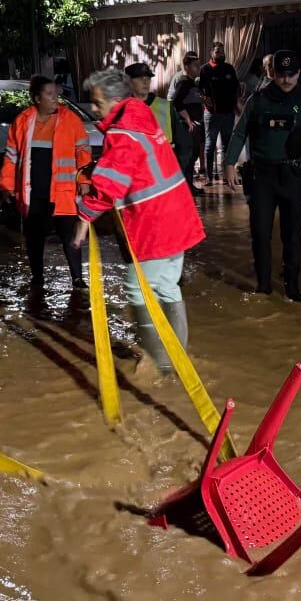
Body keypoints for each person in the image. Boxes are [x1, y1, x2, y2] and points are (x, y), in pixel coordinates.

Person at [71, 69, 204, 374]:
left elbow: (109, 185)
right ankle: (176, 355)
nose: (93, 108)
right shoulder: (140, 113)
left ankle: (158, 360)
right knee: (167, 286)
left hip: (156, 223)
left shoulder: (123, 132)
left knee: (135, 288)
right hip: (177, 213)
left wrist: (83, 217)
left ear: (115, 100)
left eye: (96, 102)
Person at [225, 50, 301, 301]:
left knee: (292, 233)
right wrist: (228, 163)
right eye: (281, 74)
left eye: (291, 75)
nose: (286, 80)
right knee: (260, 231)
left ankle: (291, 285)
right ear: (272, 73)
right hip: (262, 175)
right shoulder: (257, 100)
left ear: (299, 74)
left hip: (292, 174)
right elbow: (240, 133)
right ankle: (263, 284)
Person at [0, 75, 91, 290]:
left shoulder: (70, 120)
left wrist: (85, 180)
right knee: (34, 236)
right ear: (37, 98)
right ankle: (37, 278)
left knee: (69, 234)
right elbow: (11, 157)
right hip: (33, 192)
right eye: (50, 94)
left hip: (63, 191)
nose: (55, 97)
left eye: (56, 93)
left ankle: (77, 279)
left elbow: (83, 152)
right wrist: (6, 186)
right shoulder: (22, 121)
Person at [197, 41, 239, 184]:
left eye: (221, 51)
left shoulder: (229, 68)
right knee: (210, 145)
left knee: (227, 145)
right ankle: (209, 177)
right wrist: (205, 101)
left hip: (228, 113)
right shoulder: (205, 69)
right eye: (217, 51)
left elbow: (236, 88)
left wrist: (237, 105)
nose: (220, 53)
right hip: (212, 114)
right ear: (211, 53)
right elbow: (200, 91)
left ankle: (227, 176)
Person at [170, 52, 206, 195]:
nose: (198, 68)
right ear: (187, 66)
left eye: (198, 65)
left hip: (195, 125)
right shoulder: (184, 82)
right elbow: (176, 103)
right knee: (187, 156)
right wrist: (188, 120)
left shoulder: (192, 83)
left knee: (193, 155)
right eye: (195, 65)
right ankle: (184, 187)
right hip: (187, 127)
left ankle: (189, 185)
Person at [127, 62, 174, 140]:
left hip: (163, 151)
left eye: (148, 78)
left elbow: (183, 143)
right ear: (129, 82)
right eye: (140, 79)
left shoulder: (166, 106)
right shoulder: (122, 108)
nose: (145, 82)